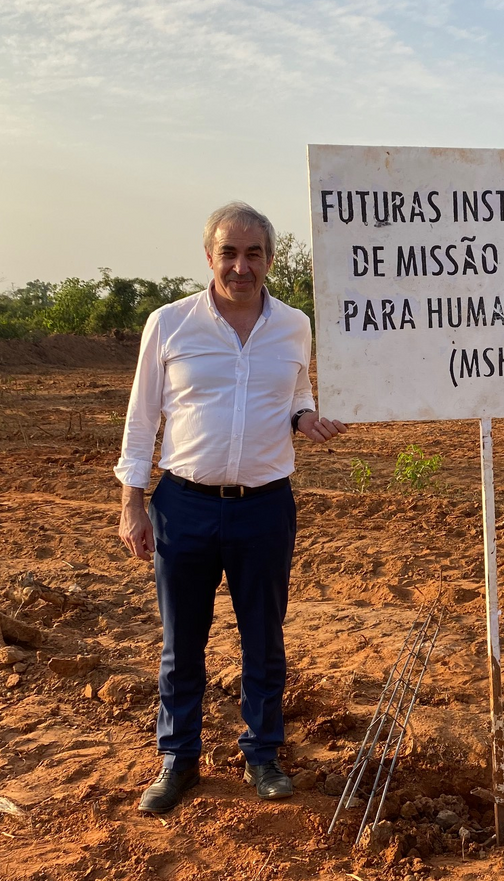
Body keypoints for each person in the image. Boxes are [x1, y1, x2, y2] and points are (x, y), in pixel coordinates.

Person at [115, 201, 347, 815]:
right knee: (181, 643)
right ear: (209, 255)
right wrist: (131, 505)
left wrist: (306, 417)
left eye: (254, 254)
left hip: (265, 508)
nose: (241, 266)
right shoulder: (168, 324)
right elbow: (142, 421)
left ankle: (263, 752)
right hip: (182, 505)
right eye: (230, 252)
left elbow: (297, 393)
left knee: (264, 639)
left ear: (270, 259)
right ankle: (178, 759)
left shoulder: (294, 326)